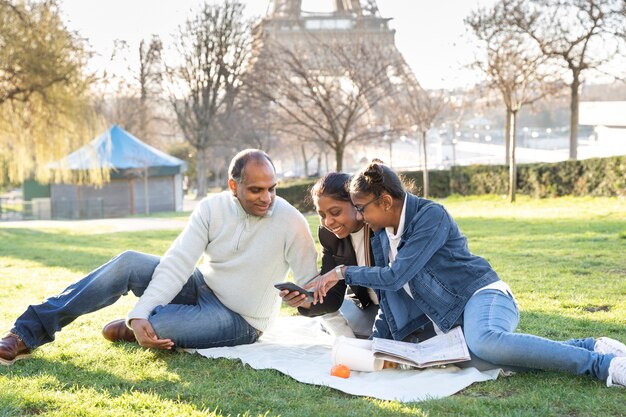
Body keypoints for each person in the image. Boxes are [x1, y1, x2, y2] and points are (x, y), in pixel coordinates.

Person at [308, 161, 626, 387]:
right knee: (481, 358)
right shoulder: (381, 235)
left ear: (387, 201)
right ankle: (588, 345)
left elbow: (395, 276)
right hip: (454, 315)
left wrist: (342, 272)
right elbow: (390, 300)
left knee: (486, 342)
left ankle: (604, 366)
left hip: (484, 294)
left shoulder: (430, 216)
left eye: (362, 208)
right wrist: (376, 347)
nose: (360, 216)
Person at [0, 149, 319, 366]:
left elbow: (312, 288)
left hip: (241, 318)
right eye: (256, 190)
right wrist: (139, 313)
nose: (267, 198)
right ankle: (26, 333)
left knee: (160, 323)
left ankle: (144, 325)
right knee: (128, 262)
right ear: (234, 186)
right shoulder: (212, 208)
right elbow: (178, 262)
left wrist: (303, 301)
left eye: (272, 189)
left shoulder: (291, 222)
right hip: (203, 287)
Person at [279, 172, 378, 338]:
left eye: (335, 212)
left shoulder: (378, 227)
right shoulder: (329, 236)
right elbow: (333, 295)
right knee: (342, 318)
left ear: (356, 203)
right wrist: (305, 301)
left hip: (400, 305)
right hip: (367, 305)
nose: (328, 222)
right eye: (322, 215)